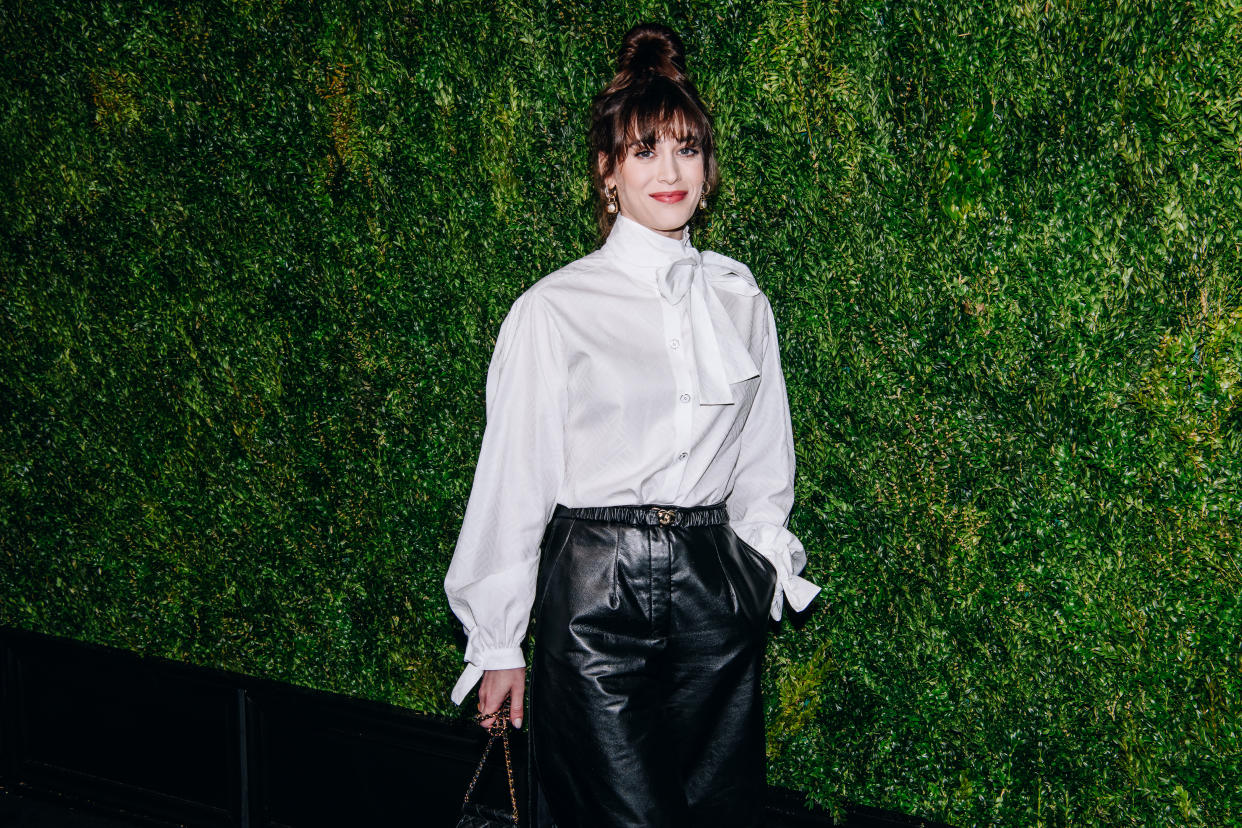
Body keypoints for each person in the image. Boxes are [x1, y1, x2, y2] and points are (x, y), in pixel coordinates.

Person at [444, 22, 819, 828]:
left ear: (710, 172)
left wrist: (758, 570)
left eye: (686, 149)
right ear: (608, 174)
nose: (670, 171)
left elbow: (765, 456)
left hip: (715, 590)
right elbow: (515, 479)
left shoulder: (740, 300)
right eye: (645, 151)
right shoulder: (554, 309)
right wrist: (498, 642)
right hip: (597, 590)